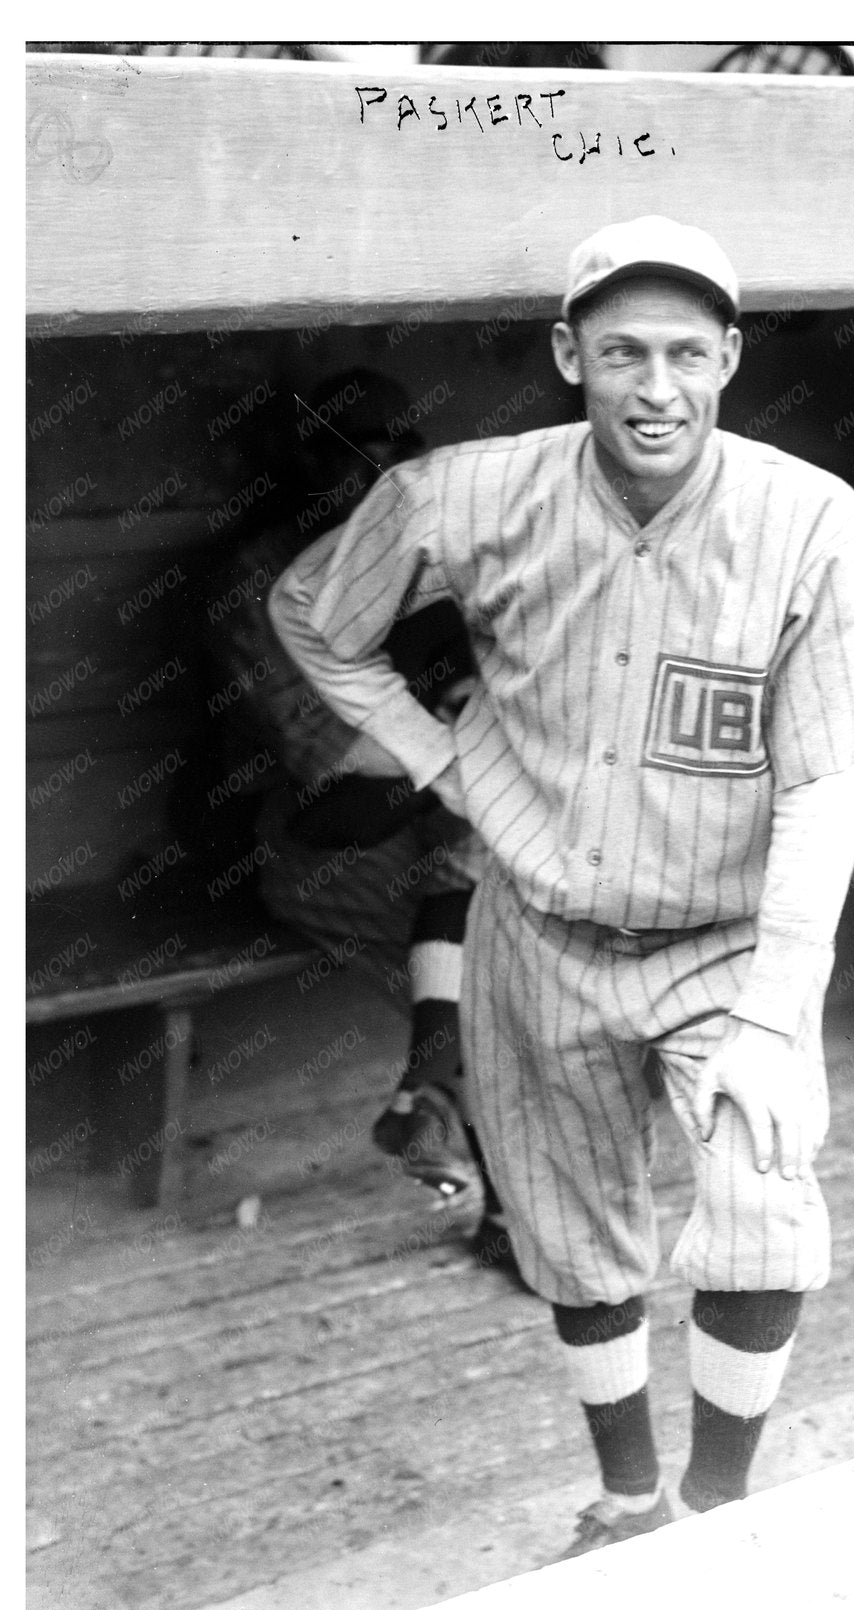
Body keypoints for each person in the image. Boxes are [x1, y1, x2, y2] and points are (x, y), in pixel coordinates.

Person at [269, 216, 854, 1557]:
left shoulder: (814, 527)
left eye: (687, 351)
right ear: (569, 352)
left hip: (724, 940)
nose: (655, 384)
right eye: (621, 349)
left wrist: (765, 1015)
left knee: (758, 1208)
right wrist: (439, 761)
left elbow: (820, 791)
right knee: (570, 1240)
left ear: (729, 358)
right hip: (537, 929)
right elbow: (313, 616)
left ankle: (713, 1507)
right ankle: (626, 1497)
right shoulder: (467, 494)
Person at [198, 367, 518, 1275]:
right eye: (341, 459)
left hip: (435, 823)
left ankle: (433, 1103)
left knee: (516, 922)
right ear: (297, 470)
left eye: (391, 457)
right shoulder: (259, 585)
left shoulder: (424, 566)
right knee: (491, 973)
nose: (368, 480)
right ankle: (505, 1199)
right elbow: (344, 780)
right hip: (318, 842)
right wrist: (459, 736)